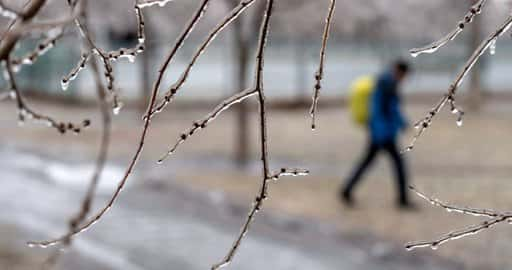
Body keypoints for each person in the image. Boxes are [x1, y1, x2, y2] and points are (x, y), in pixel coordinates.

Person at [340, 60, 414, 209]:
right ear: (399, 72)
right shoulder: (387, 85)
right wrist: (401, 124)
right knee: (398, 164)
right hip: (383, 133)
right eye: (404, 75)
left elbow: (387, 109)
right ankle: (402, 200)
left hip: (379, 131)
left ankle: (346, 190)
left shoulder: (384, 82)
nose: (404, 79)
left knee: (367, 162)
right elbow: (386, 110)